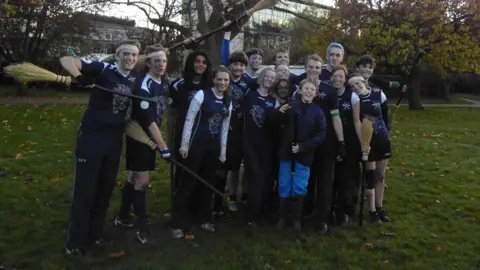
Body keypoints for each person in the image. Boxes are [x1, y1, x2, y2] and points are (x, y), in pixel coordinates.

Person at [61, 40, 141, 256]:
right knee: (85, 191)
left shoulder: (135, 76)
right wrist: (79, 76)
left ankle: (95, 236)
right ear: (117, 55)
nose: (130, 59)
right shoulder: (103, 68)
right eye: (126, 54)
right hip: (92, 137)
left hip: (114, 139)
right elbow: (66, 59)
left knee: (105, 190)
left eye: (134, 55)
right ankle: (74, 243)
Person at [113, 44, 172, 244]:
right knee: (142, 182)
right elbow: (149, 121)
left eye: (164, 60)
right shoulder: (143, 85)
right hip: (139, 136)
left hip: (150, 135)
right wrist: (163, 146)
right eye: (156, 61)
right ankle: (143, 228)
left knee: (132, 177)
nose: (161, 64)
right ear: (148, 63)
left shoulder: (162, 79)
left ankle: (122, 217)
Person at [170, 66, 233, 239]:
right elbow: (189, 120)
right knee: (187, 184)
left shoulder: (228, 100)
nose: (222, 83)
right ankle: (178, 223)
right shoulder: (202, 95)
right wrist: (184, 145)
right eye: (219, 79)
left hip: (213, 148)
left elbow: (225, 128)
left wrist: (223, 152)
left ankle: (204, 218)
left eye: (226, 80)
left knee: (207, 184)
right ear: (213, 79)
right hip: (195, 146)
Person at [292, 54, 345, 235]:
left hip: (326, 142)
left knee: (325, 183)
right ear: (305, 68)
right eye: (310, 67)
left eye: (317, 67)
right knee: (306, 180)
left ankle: (322, 218)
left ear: (322, 69)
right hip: (305, 143)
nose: (314, 70)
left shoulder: (329, 91)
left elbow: (336, 117)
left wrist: (341, 141)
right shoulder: (299, 90)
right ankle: (304, 213)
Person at [275, 78, 327, 233]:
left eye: (312, 89)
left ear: (315, 93)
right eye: (306, 88)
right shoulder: (291, 106)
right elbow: (276, 124)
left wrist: (303, 147)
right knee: (284, 185)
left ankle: (297, 219)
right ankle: (283, 217)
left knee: (300, 186)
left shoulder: (317, 111)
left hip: (304, 155)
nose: (309, 92)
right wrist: (279, 113)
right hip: (286, 154)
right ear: (301, 90)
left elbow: (321, 134)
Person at [348, 72, 392, 224]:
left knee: (380, 175)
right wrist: (364, 144)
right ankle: (372, 210)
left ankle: (380, 208)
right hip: (368, 142)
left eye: (358, 83)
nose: (356, 87)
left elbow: (386, 117)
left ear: (364, 81)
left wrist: (387, 133)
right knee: (370, 177)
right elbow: (356, 122)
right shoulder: (355, 100)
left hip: (383, 139)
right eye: (352, 86)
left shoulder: (379, 94)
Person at [169, 51, 212, 203]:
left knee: (200, 170)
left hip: (202, 133)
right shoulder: (178, 85)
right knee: (183, 170)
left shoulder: (210, 86)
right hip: (183, 133)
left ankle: (196, 205)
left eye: (204, 62)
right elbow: (172, 109)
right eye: (197, 61)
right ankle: (179, 205)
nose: (201, 65)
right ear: (191, 63)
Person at [242, 66, 280, 230]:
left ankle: (262, 212)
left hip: (267, 144)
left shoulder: (274, 100)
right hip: (250, 142)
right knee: (255, 177)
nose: (270, 79)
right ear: (261, 77)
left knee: (265, 179)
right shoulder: (249, 95)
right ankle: (252, 217)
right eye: (267, 76)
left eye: (273, 77)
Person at [330, 65, 363, 225]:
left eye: (341, 76)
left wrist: (363, 142)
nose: (337, 79)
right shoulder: (328, 93)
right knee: (332, 177)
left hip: (349, 141)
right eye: (335, 76)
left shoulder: (352, 96)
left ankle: (345, 209)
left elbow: (357, 121)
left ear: (345, 79)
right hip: (331, 140)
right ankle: (330, 207)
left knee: (347, 177)